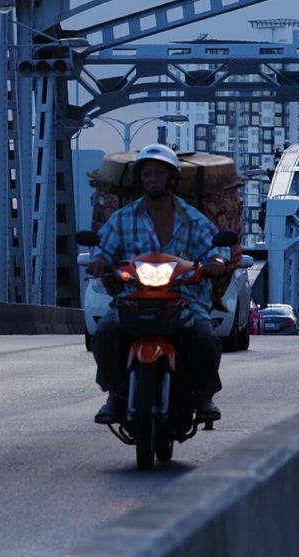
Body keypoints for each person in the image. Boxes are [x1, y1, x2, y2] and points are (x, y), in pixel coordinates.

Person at [87, 144, 230, 424]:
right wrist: (99, 261)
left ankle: (204, 396)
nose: (153, 179)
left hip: (182, 298)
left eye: (159, 174)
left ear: (172, 179)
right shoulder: (124, 218)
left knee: (206, 338)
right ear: (140, 180)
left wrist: (216, 261)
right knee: (104, 334)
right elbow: (104, 248)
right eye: (147, 174)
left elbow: (213, 248)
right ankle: (114, 395)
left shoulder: (191, 218)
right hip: (133, 299)